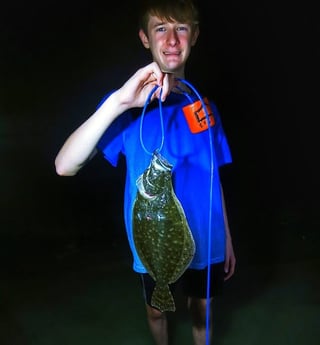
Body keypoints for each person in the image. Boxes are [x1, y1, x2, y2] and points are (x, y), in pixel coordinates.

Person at [55, 0, 236, 344]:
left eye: (181, 28)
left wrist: (226, 235)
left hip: (207, 235)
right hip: (153, 241)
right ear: (144, 38)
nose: (171, 39)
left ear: (194, 36)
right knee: (156, 308)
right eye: (160, 29)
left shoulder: (206, 107)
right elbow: (65, 165)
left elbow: (215, 178)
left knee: (202, 307)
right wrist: (119, 103)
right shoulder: (125, 107)